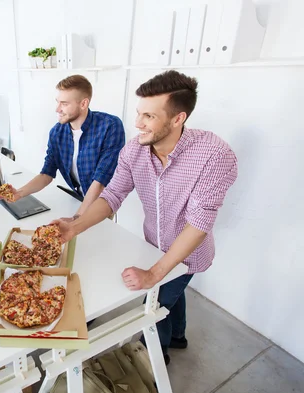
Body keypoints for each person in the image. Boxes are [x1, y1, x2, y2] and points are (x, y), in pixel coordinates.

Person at [53, 70, 238, 364]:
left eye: (149, 116)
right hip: (153, 243)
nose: (138, 123)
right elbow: (112, 196)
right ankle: (178, 337)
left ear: (178, 119)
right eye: (139, 113)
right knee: (172, 293)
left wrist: (153, 274)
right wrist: (75, 227)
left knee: (154, 305)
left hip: (189, 252)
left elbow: (199, 225)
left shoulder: (214, 155)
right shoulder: (134, 150)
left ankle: (153, 360)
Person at [0, 75, 125, 219]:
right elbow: (46, 174)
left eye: (64, 103)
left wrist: (76, 220)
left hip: (101, 204)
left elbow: (100, 181)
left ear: (83, 104)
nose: (57, 109)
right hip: (78, 199)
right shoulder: (57, 132)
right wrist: (19, 193)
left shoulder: (110, 126)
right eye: (57, 102)